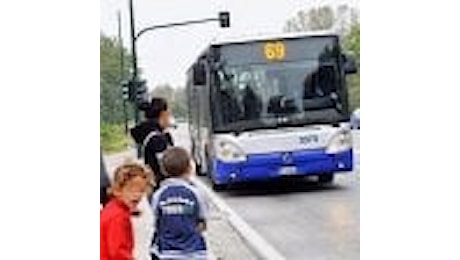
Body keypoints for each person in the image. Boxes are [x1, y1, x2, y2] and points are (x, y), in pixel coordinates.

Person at [150, 147, 208, 260]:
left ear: (163, 170)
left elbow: (156, 221)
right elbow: (202, 221)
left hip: (166, 252)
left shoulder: (159, 194)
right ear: (190, 168)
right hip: (194, 252)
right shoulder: (197, 193)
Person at [100, 162, 153, 260]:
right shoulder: (118, 217)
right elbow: (118, 253)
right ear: (118, 190)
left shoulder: (112, 208)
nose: (137, 195)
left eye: (141, 190)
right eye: (131, 189)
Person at [130, 98, 174, 187]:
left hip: (154, 184)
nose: (170, 118)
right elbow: (168, 167)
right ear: (163, 114)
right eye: (169, 114)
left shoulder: (149, 134)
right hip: (161, 185)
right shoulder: (157, 139)